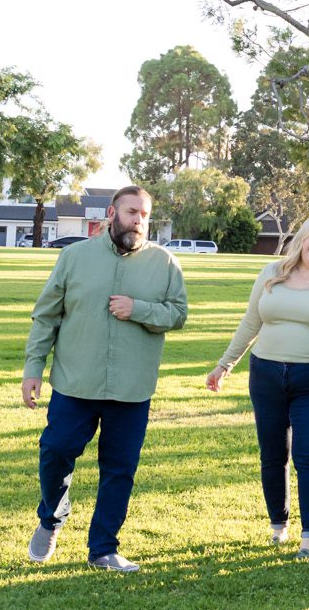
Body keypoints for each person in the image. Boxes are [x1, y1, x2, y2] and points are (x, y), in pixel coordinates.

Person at [22, 185, 189, 572]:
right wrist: (34, 368)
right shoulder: (74, 257)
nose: (138, 221)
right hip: (75, 382)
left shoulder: (164, 264)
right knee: (55, 451)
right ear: (111, 214)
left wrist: (140, 309)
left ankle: (103, 549)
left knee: (119, 469)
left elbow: (178, 314)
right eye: (131, 212)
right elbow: (46, 315)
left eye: (145, 215)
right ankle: (51, 515)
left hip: (132, 388)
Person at [204, 212, 309, 558]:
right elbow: (250, 322)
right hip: (266, 375)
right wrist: (224, 364)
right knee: (273, 455)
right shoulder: (273, 273)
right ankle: (278, 525)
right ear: (302, 237)